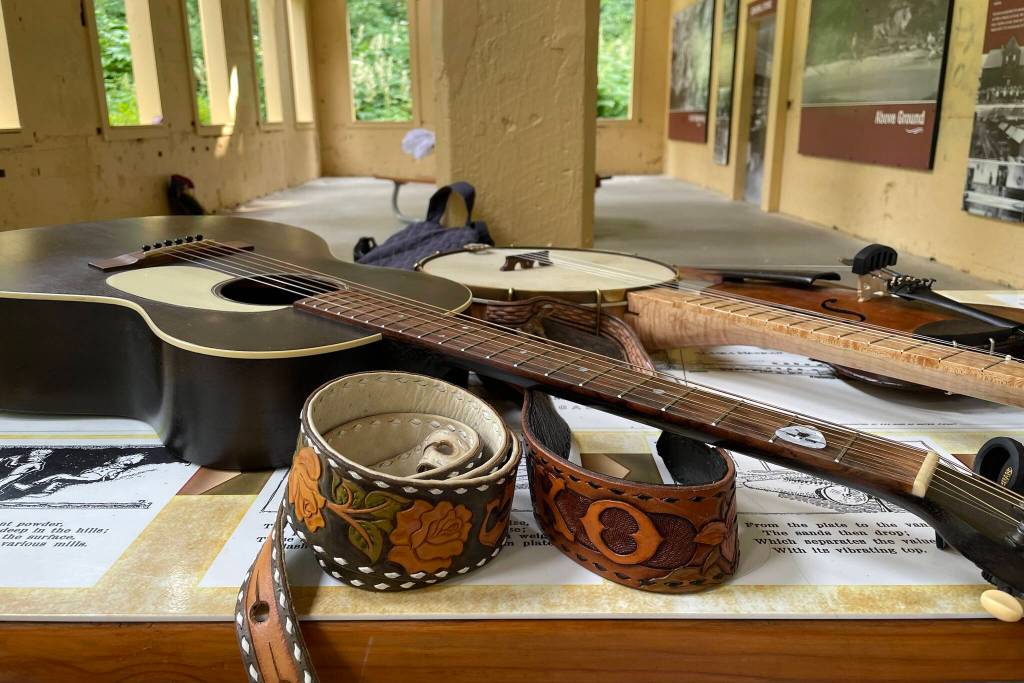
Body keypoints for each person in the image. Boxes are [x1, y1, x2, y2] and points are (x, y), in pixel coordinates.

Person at [12, 453, 147, 495]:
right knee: (58, 481)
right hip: (86, 477)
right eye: (128, 456)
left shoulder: (116, 470)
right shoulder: (108, 464)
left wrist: (109, 474)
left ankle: (28, 487)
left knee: (59, 476)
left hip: (90, 480)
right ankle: (43, 494)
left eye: (131, 460)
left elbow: (110, 477)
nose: (127, 459)